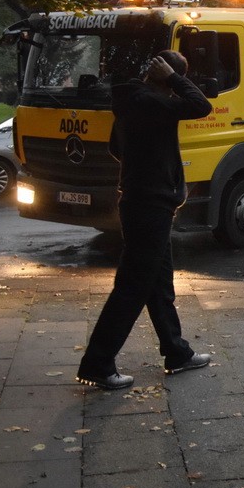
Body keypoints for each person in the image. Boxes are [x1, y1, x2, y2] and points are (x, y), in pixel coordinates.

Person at [77, 51, 213, 390]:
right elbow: (201, 105)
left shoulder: (131, 101)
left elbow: (115, 148)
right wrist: (175, 80)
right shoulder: (154, 102)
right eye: (173, 79)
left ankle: (177, 353)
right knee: (133, 286)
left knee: (159, 284)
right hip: (150, 205)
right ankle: (97, 363)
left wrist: (145, 164)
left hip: (141, 202)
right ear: (168, 77)